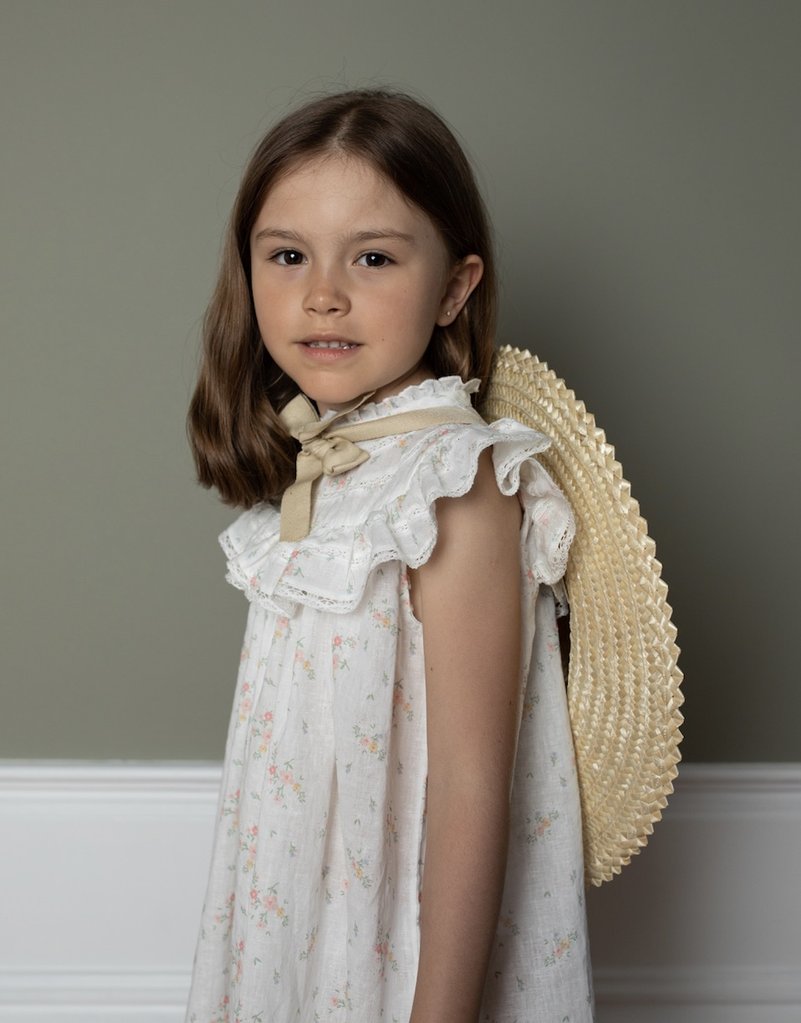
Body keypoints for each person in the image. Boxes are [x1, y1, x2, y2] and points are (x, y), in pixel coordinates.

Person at [186, 89, 593, 1023]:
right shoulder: (340, 463)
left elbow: (471, 787)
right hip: (304, 911)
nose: (322, 293)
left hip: (398, 947)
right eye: (287, 254)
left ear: (453, 287)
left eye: (372, 257)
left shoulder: (454, 483)